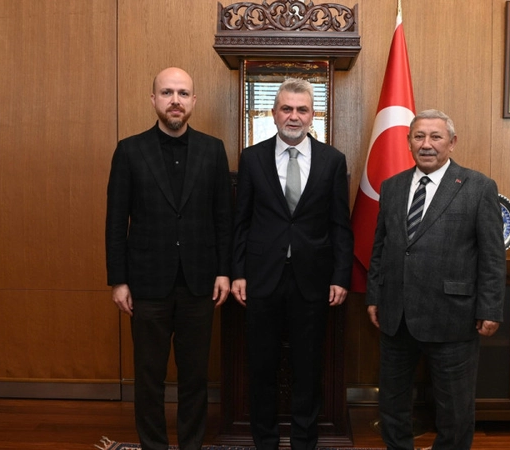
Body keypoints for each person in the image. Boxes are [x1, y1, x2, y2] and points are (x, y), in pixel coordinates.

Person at [105, 67, 232, 450]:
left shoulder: (213, 149)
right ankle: (154, 446)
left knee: (195, 377)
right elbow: (116, 220)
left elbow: (223, 218)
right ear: (153, 99)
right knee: (149, 377)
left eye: (182, 93)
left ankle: (191, 444)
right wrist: (118, 280)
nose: (175, 100)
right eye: (167, 92)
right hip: (146, 285)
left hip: (199, 283)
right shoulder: (129, 150)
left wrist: (224, 272)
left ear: (193, 101)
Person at [366, 109, 506, 450]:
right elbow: (380, 247)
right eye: (419, 136)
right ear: (409, 142)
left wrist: (490, 309)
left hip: (453, 315)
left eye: (435, 137)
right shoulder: (392, 186)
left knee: (455, 407)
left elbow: (492, 256)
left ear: (452, 143)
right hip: (396, 314)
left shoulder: (478, 187)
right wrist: (374, 296)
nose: (426, 144)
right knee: (392, 402)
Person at [230, 78, 354, 450]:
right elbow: (241, 221)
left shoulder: (333, 160)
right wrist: (238, 272)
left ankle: (304, 442)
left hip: (313, 280)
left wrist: (341, 276)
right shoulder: (252, 158)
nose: (294, 116)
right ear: (274, 113)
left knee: (308, 367)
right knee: (261, 366)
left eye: (302, 110)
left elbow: (340, 225)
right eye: (286, 108)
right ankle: (265, 442)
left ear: (313, 115)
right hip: (261, 279)